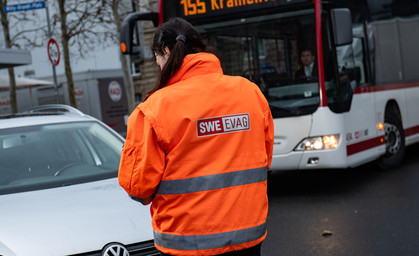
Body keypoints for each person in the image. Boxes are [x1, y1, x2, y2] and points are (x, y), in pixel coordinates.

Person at [118, 17, 274, 256]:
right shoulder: (250, 93)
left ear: (166, 51)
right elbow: (264, 160)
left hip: (188, 243)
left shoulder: (153, 109)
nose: (160, 67)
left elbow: (138, 188)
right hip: (248, 237)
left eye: (158, 59)